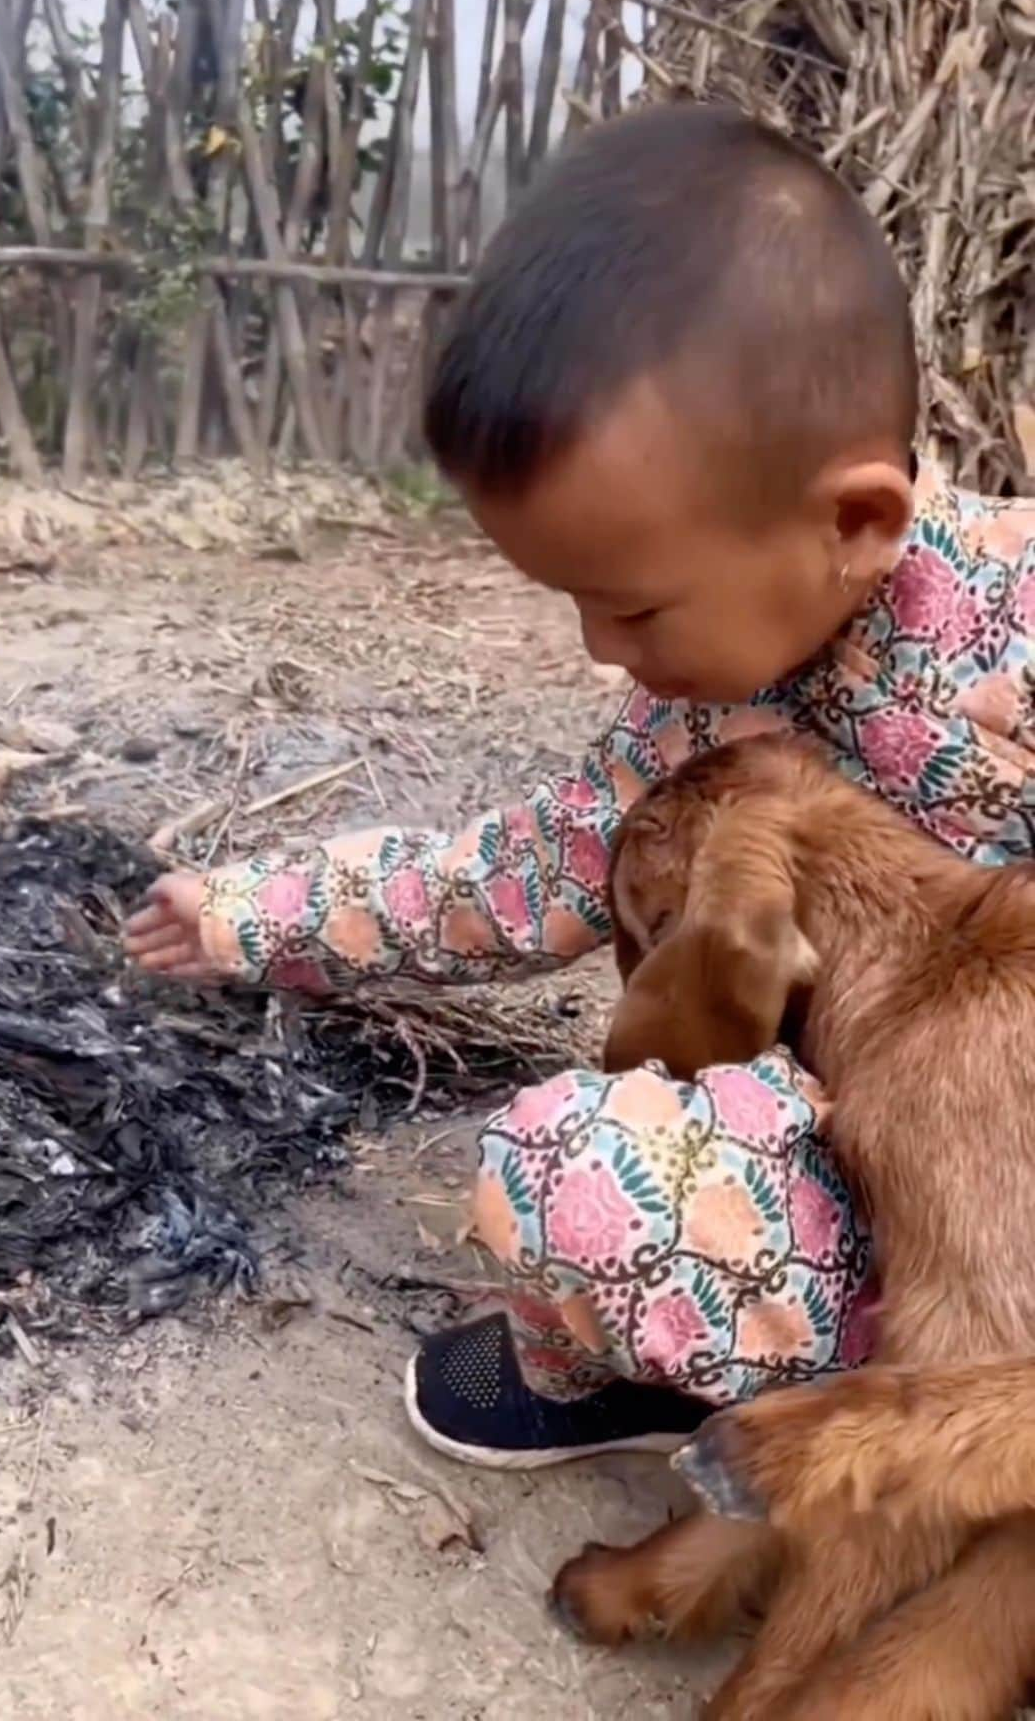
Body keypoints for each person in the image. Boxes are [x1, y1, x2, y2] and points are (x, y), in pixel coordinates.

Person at [126, 103, 1035, 1472]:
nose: (603, 653)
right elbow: (518, 875)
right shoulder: (696, 718)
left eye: (631, 606)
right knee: (583, 1177)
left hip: (998, 1187)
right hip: (874, 1193)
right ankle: (713, 1355)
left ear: (853, 523)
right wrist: (255, 916)